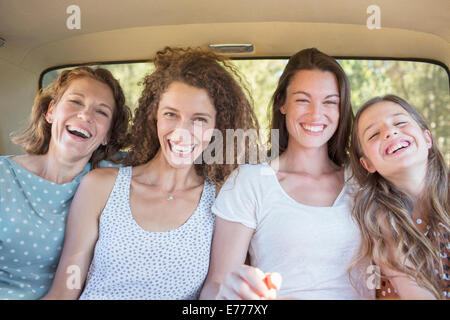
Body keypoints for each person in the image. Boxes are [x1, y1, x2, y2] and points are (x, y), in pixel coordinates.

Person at [42, 47, 261, 300]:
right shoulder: (100, 186)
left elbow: (217, 287)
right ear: (154, 115)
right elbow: (65, 289)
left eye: (199, 119)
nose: (182, 131)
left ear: (217, 127)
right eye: (171, 114)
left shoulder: (223, 199)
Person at [200, 48, 374, 300]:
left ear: (341, 110)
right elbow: (217, 285)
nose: (316, 114)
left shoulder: (362, 180)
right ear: (283, 103)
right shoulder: (250, 182)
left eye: (330, 102)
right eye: (303, 100)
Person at [0, 66, 131, 299]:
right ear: (51, 111)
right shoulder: (4, 174)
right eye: (75, 102)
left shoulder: (113, 181)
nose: (86, 115)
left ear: (108, 136)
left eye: (101, 112)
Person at [349, 94, 449, 299]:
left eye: (400, 122)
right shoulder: (380, 220)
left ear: (427, 138)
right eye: (374, 134)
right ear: (368, 164)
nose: (390, 132)